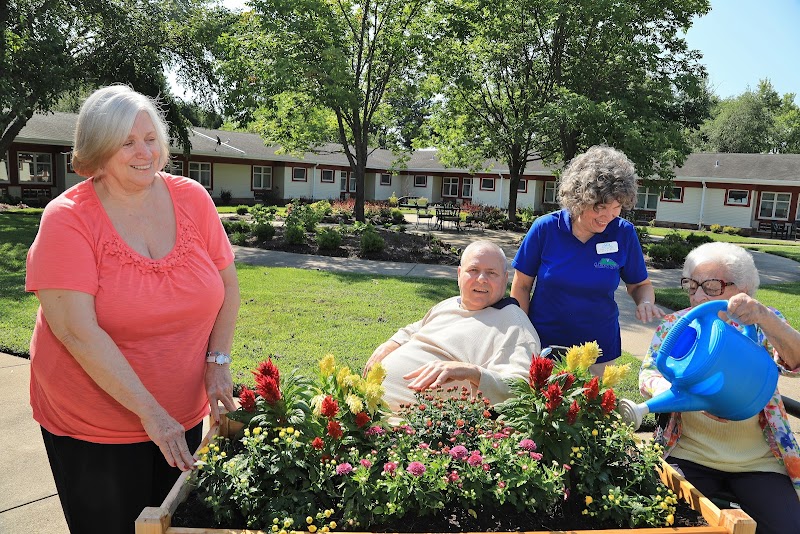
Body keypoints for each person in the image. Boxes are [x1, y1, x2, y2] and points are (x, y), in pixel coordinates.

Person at [25, 85, 241, 534]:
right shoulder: (67, 219)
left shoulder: (192, 198)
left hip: (179, 412)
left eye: (150, 139)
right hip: (93, 427)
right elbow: (76, 331)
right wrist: (152, 414)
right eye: (126, 142)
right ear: (98, 151)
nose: (144, 152)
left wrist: (217, 362)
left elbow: (227, 286)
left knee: (168, 522)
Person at [639, 242, 800, 533]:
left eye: (711, 286)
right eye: (691, 286)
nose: (698, 296)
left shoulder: (764, 322)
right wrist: (687, 395)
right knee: (670, 523)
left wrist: (764, 317)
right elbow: (649, 373)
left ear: (744, 288)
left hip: (758, 461)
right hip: (689, 453)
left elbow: (796, 360)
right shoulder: (677, 324)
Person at [510, 145, 662, 375]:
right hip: (544, 346)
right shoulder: (546, 229)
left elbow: (640, 285)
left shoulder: (623, 233)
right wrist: (521, 334)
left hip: (599, 350)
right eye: (600, 207)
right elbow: (521, 285)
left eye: (616, 208)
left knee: (591, 410)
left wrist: (645, 302)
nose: (608, 217)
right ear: (579, 198)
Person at [364, 240, 541, 412]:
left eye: (491, 273)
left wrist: (471, 372)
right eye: (473, 270)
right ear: (459, 274)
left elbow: (520, 388)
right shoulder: (450, 304)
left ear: (505, 278)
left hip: (413, 425)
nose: (481, 279)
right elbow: (415, 328)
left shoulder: (514, 323)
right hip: (367, 403)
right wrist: (392, 343)